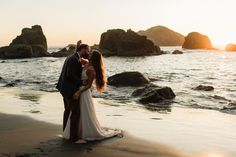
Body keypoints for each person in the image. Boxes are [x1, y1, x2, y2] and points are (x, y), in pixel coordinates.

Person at [63, 50, 121, 141]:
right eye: (89, 53)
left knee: (83, 112)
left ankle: (84, 133)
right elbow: (77, 57)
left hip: (84, 93)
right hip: (79, 89)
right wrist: (77, 48)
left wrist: (78, 92)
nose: (88, 54)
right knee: (77, 112)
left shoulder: (91, 70)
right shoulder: (86, 64)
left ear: (93, 58)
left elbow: (89, 86)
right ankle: (75, 133)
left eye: (90, 54)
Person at [56, 40, 89, 142]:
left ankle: (66, 133)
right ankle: (73, 138)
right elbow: (70, 75)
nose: (88, 53)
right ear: (82, 50)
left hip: (64, 88)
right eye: (87, 50)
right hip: (70, 89)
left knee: (67, 111)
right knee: (75, 112)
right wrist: (81, 83)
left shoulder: (72, 57)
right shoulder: (74, 59)